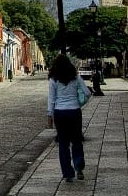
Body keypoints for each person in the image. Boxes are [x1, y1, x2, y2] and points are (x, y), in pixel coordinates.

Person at [47, 53, 90, 182]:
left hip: (60, 113)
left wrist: (50, 115)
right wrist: (79, 102)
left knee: (63, 144)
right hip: (74, 112)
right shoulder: (76, 77)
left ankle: (68, 173)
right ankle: (79, 167)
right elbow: (87, 93)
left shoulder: (53, 79)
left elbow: (51, 99)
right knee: (76, 140)